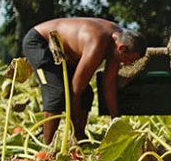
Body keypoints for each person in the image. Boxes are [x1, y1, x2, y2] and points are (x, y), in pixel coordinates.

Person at [20, 17, 146, 146]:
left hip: (66, 53)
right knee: (57, 94)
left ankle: (79, 138)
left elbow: (108, 86)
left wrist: (117, 121)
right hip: (40, 43)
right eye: (129, 60)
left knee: (87, 94)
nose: (128, 64)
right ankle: (47, 148)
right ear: (122, 48)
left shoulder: (118, 45)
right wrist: (77, 132)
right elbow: (76, 89)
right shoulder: (97, 44)